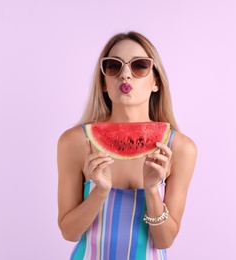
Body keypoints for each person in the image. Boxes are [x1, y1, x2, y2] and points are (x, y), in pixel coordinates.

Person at [57, 31, 197, 259]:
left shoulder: (180, 148)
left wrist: (152, 189)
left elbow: (165, 239)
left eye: (139, 66)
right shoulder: (75, 142)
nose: (125, 76)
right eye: (113, 66)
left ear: (156, 82)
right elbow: (69, 232)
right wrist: (99, 191)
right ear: (104, 83)